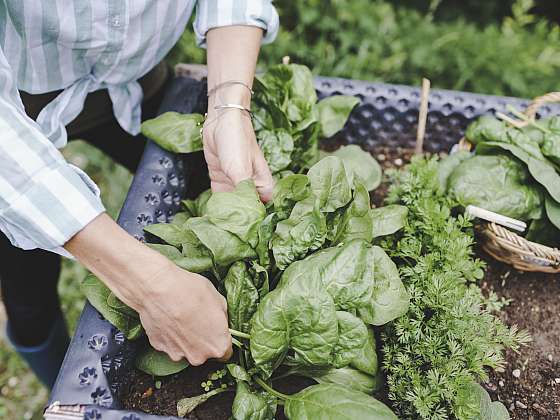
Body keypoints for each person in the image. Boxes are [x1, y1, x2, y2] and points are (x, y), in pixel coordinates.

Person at [0, 1, 278, 388]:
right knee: (26, 288)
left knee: (208, 197)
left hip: (134, 78)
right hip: (19, 99)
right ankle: (62, 389)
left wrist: (228, 106)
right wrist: (147, 283)